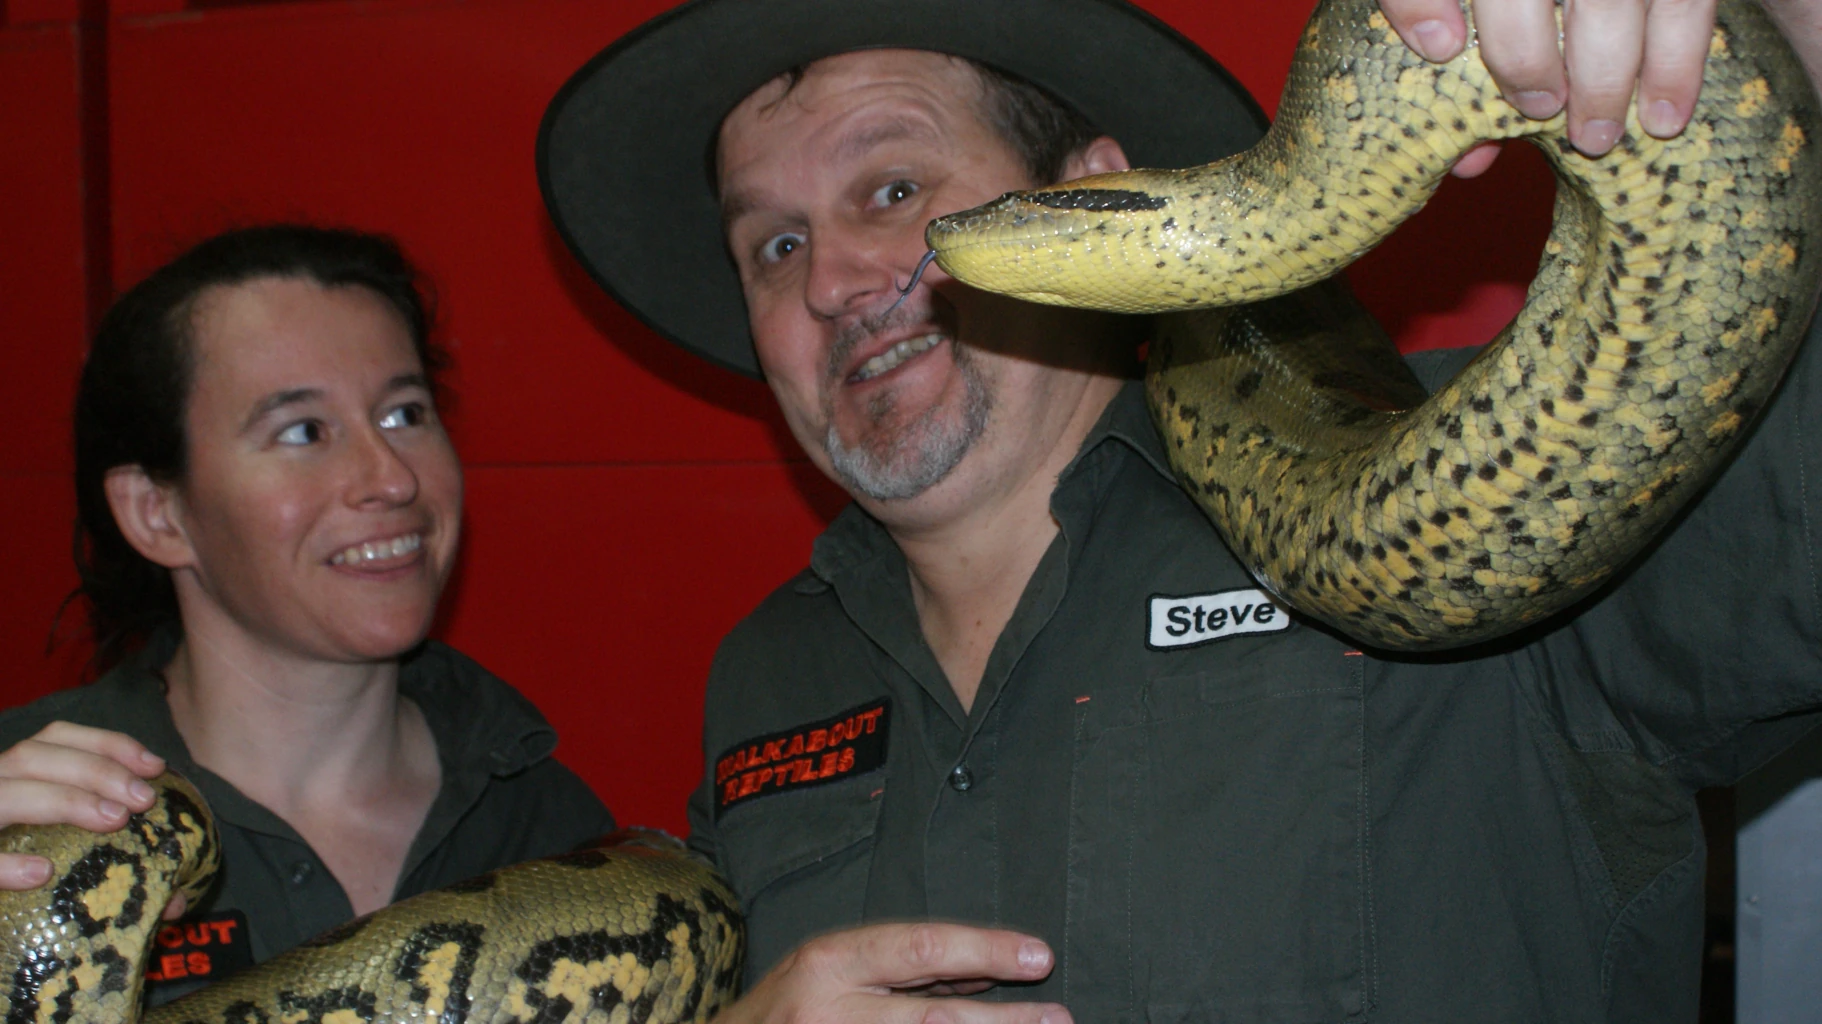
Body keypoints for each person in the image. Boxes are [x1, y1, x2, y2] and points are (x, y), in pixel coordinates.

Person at [538, 0, 1822, 1020]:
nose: (833, 281)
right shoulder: (765, 675)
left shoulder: (1494, 475)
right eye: (772, 243)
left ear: (1100, 186)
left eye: (890, 190)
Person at [0, 225, 614, 1005]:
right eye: (303, 432)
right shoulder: (20, 807)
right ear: (157, 513)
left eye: (404, 414)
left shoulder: (548, 824)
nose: (390, 478)